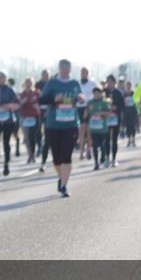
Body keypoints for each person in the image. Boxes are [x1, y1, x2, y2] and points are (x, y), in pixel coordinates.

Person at [39, 59, 84, 198]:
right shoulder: (52, 83)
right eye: (62, 67)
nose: (65, 70)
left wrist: (81, 98)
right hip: (53, 125)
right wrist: (54, 99)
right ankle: (61, 177)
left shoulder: (74, 83)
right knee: (56, 158)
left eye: (67, 67)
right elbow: (41, 100)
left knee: (66, 155)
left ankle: (64, 185)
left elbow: (81, 95)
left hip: (71, 125)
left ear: (70, 68)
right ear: (59, 68)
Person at [0, 72, 20, 176]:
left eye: (3, 77)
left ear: (5, 78)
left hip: (8, 121)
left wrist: (8, 106)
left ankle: (6, 164)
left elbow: (17, 104)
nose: (1, 79)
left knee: (6, 143)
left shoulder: (10, 90)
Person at [86, 87, 112, 170]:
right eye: (94, 93)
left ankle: (103, 156)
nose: (96, 95)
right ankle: (96, 163)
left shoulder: (104, 103)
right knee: (94, 145)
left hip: (102, 128)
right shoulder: (89, 103)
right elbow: (86, 113)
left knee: (102, 144)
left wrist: (101, 113)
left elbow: (109, 112)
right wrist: (85, 116)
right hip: (93, 128)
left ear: (101, 94)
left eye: (98, 93)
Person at [18, 78, 41, 164]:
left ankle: (33, 154)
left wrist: (37, 107)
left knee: (33, 137)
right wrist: (22, 102)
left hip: (35, 117)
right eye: (27, 83)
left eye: (30, 83)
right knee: (27, 137)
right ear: (24, 84)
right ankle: (30, 155)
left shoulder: (37, 93)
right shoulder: (22, 94)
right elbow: (18, 106)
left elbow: (41, 103)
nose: (28, 84)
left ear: (33, 84)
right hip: (24, 117)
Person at [104, 75, 124, 167]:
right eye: (108, 82)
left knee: (114, 139)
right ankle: (106, 158)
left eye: (111, 82)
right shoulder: (104, 92)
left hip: (116, 118)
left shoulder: (118, 93)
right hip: (106, 118)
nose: (110, 84)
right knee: (106, 139)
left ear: (114, 83)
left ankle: (114, 159)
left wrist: (116, 107)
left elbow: (123, 106)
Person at [77, 68, 97, 159]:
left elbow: (96, 96)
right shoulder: (78, 84)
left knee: (89, 131)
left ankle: (89, 150)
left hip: (88, 108)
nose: (83, 74)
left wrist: (89, 108)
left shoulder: (92, 84)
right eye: (82, 73)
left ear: (87, 73)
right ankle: (81, 152)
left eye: (84, 73)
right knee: (81, 131)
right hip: (79, 108)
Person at [122, 80, 139, 147]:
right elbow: (122, 102)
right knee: (128, 127)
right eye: (127, 86)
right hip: (126, 112)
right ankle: (129, 140)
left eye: (129, 86)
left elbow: (136, 101)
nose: (128, 87)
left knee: (133, 126)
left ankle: (133, 140)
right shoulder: (124, 94)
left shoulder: (133, 93)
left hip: (133, 111)